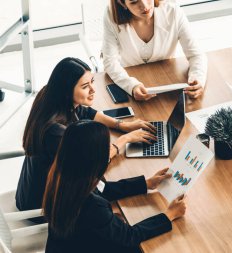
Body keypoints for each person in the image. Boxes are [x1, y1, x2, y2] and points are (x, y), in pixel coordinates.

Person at [16, 57, 157, 215]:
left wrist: (122, 125)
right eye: (85, 86)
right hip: (42, 209)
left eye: (92, 81)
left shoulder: (50, 97)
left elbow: (86, 112)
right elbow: (96, 163)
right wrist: (126, 139)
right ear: (67, 90)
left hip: (29, 192)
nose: (93, 90)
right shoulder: (56, 135)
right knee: (124, 212)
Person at [42, 120, 186, 253]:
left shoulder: (63, 178)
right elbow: (129, 236)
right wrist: (169, 215)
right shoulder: (93, 206)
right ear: (96, 160)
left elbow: (103, 189)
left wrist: (146, 183)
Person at [102, 0, 208, 100]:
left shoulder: (173, 11)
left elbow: (196, 54)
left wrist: (197, 78)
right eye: (134, 1)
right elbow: (110, 62)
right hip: (130, 80)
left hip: (168, 84)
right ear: (122, 3)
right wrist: (131, 86)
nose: (144, 6)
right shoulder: (111, 16)